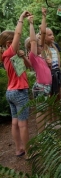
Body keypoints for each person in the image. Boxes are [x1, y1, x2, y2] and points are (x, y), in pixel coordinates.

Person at [0, 11, 31, 158]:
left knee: (15, 123)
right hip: (19, 92)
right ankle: (29, 151)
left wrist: (22, 55)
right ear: (8, 44)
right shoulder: (8, 53)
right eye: (15, 42)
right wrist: (21, 18)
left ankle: (19, 149)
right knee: (23, 124)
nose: (17, 43)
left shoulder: (9, 56)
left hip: (11, 92)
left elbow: (28, 67)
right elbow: (18, 34)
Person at [25, 8, 52, 133]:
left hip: (46, 86)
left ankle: (45, 130)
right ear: (31, 47)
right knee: (41, 111)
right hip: (40, 87)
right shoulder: (33, 56)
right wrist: (31, 23)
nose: (39, 45)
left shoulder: (41, 57)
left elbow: (42, 33)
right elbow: (34, 40)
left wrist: (44, 16)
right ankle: (42, 135)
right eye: (36, 45)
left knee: (45, 109)